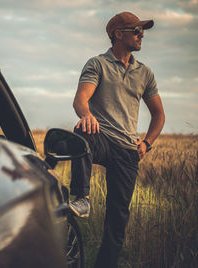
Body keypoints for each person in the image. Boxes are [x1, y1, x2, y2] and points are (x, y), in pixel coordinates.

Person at [69, 11, 165, 267]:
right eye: (136, 30)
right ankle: (81, 197)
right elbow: (81, 99)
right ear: (118, 34)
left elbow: (158, 114)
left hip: (128, 151)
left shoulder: (145, 73)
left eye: (142, 30)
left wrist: (146, 143)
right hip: (102, 138)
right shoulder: (97, 64)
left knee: (118, 219)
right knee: (81, 133)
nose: (141, 34)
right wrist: (87, 115)